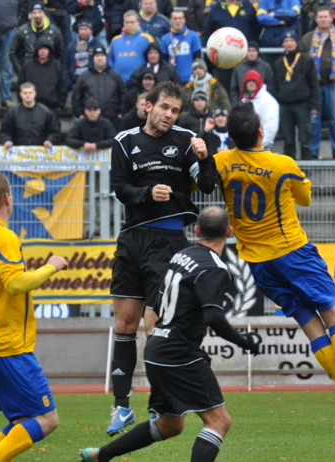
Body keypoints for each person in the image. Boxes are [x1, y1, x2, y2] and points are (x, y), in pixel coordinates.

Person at [213, 101, 335, 431]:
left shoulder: (221, 162)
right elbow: (305, 199)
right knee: (333, 317)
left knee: (311, 327)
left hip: (258, 264)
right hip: (293, 252)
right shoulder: (282, 164)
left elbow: (201, 179)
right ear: (260, 132)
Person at [80, 207, 262, 462]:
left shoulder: (182, 255)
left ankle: (101, 456)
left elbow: (156, 301)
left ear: (196, 231)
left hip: (157, 348)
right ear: (230, 232)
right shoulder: (214, 268)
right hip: (179, 352)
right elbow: (213, 316)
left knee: (170, 425)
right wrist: (245, 342)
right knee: (219, 421)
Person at [106, 81, 216, 436]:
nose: (169, 115)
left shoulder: (186, 140)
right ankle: (121, 408)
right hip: (132, 240)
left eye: (174, 110)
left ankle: (160, 406)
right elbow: (120, 188)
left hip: (169, 243)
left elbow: (209, 185)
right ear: (147, 106)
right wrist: (147, 193)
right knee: (124, 324)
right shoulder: (124, 141)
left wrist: (204, 156)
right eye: (164, 107)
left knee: (155, 327)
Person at [0, 172, 69, 462]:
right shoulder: (4, 237)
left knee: (22, 419)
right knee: (47, 418)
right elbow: (15, 283)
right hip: (9, 347)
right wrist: (50, 267)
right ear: (8, 198)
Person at [301, 7, 335, 159]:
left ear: (331, 19)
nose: (323, 19)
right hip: (314, 86)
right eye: (320, 17)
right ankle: (313, 151)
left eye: (326, 17)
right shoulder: (308, 38)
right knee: (314, 120)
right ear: (316, 19)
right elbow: (302, 61)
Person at [271, 30, 320, 159]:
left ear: (296, 42)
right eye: (286, 41)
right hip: (285, 105)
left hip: (302, 104)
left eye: (291, 40)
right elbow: (273, 85)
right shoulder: (278, 63)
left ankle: (308, 169)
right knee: (288, 140)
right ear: (282, 44)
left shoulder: (306, 60)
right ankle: (289, 169)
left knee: (305, 138)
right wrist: (278, 100)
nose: (289, 43)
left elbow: (314, 83)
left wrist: (315, 104)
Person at [71, 46, 125, 129]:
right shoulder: (84, 77)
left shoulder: (116, 76)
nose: (99, 58)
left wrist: (121, 113)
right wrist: (80, 114)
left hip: (113, 121)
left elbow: (123, 95)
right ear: (93, 58)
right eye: (97, 56)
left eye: (102, 55)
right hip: (89, 122)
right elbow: (76, 97)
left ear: (106, 58)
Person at [0, 82, 61, 148]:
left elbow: (54, 131)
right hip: (18, 153)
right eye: (25, 93)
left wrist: (49, 140)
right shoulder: (12, 112)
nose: (28, 95)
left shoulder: (45, 112)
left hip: (41, 152)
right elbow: (5, 131)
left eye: (30, 92)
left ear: (35, 93)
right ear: (20, 94)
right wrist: (7, 140)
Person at [10, 4, 65, 77]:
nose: (37, 15)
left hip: (49, 73)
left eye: (39, 12)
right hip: (28, 73)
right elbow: (13, 53)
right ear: (31, 15)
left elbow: (60, 53)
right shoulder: (22, 31)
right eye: (34, 13)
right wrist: (20, 71)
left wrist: (54, 70)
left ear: (44, 14)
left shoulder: (55, 31)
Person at [17, 39, 68, 112]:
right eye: (40, 48)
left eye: (45, 48)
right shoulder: (27, 66)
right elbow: (20, 85)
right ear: (36, 50)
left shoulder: (57, 66)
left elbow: (62, 85)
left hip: (52, 108)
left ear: (49, 50)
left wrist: (60, 105)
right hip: (30, 107)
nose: (43, 51)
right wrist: (22, 103)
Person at [108, 10, 156, 85]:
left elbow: (154, 58)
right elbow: (110, 60)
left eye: (132, 22)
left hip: (139, 81)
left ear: (138, 23)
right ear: (123, 23)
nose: (129, 25)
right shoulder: (115, 40)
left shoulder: (147, 38)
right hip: (118, 82)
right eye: (127, 22)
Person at [239, 70, 279, 149]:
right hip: (245, 147)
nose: (251, 83)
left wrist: (257, 145)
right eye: (248, 81)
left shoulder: (269, 101)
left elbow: (271, 128)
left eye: (254, 81)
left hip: (264, 146)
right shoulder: (243, 101)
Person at [160, 10, 202, 84]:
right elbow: (164, 61)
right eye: (175, 18)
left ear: (184, 20)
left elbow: (197, 58)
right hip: (171, 79)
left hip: (189, 78)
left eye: (180, 18)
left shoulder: (193, 36)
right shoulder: (165, 38)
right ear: (170, 20)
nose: (177, 21)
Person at [64, 19, 104, 88]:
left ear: (91, 31)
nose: (83, 32)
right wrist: (69, 84)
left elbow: (103, 65)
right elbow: (65, 66)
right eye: (81, 29)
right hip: (75, 85)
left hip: (93, 85)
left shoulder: (97, 45)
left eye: (85, 29)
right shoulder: (71, 47)